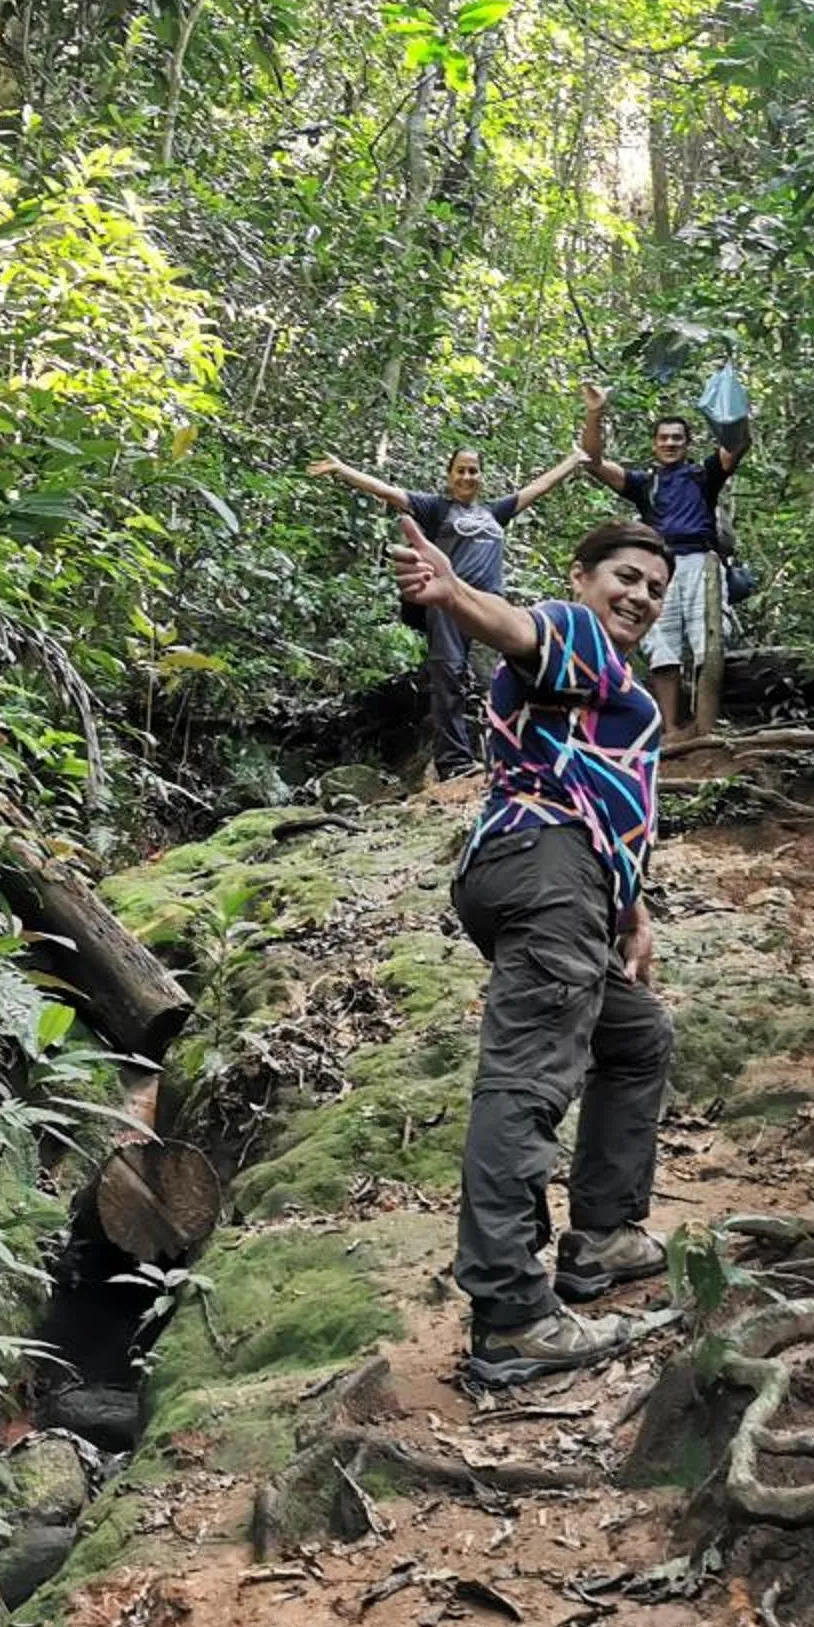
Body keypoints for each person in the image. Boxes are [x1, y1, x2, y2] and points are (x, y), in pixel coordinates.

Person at [390, 509, 681, 1386]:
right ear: (583, 577)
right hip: (546, 869)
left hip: (559, 873)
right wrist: (457, 595)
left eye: (654, 589)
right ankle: (512, 1313)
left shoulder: (604, 680)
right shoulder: (573, 631)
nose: (638, 596)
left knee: (635, 1037)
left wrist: (630, 909)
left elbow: (605, 794)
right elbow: (520, 627)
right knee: (528, 1080)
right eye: (624, 576)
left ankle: (601, 1236)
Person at [310, 445, 586, 777]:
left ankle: (519, 756)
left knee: (511, 675)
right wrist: (342, 469)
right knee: (449, 676)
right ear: (449, 475)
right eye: (461, 470)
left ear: (481, 476)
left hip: (491, 606)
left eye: (473, 470)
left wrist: (573, 460)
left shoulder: (494, 512)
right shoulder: (435, 508)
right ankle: (453, 763)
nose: (467, 477)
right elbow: (386, 491)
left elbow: (539, 487)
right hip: (450, 604)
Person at [576, 381, 753, 739]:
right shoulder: (646, 482)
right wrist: (595, 411)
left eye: (677, 438)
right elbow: (592, 462)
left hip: (701, 563)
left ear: (687, 444)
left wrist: (733, 410)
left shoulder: (703, 474)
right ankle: (671, 729)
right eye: (664, 438)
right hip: (660, 569)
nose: (670, 443)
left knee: (708, 642)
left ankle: (705, 727)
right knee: (662, 645)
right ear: (654, 444)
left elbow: (736, 447)